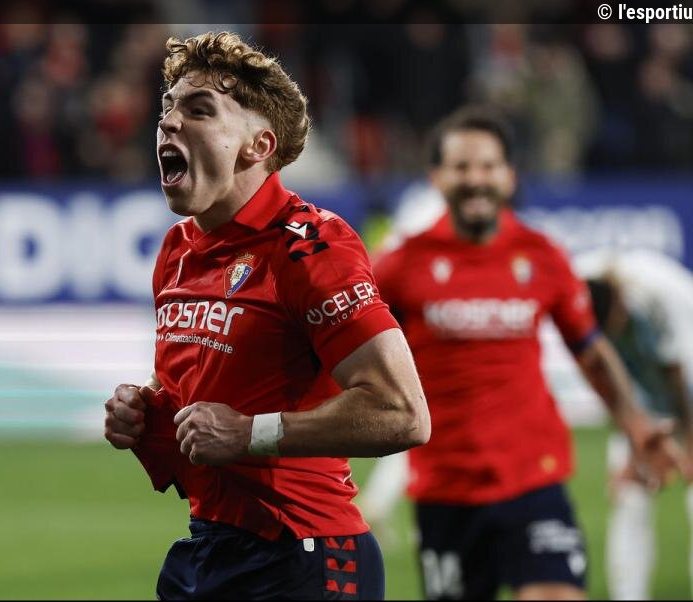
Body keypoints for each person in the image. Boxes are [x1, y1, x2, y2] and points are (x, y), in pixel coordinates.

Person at [103, 31, 430, 600]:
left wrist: (248, 433)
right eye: (167, 108)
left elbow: (402, 412)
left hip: (305, 556)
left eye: (199, 110)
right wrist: (144, 408)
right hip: (209, 547)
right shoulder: (178, 250)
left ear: (258, 146)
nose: (169, 122)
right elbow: (203, 394)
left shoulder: (311, 248)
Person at [370, 106, 691, 601]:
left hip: (534, 478)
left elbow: (591, 352)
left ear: (509, 175)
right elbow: (349, 349)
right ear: (437, 177)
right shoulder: (399, 266)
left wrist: (635, 424)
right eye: (461, 167)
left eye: (488, 166)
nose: (476, 179)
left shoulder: (543, 256)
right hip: (445, 488)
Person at [577, 248, 693, 600]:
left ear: (621, 303)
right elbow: (598, 371)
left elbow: (676, 376)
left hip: (687, 387)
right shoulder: (579, 295)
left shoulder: (659, 299)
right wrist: (635, 440)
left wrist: (688, 447)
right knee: (629, 493)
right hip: (641, 399)